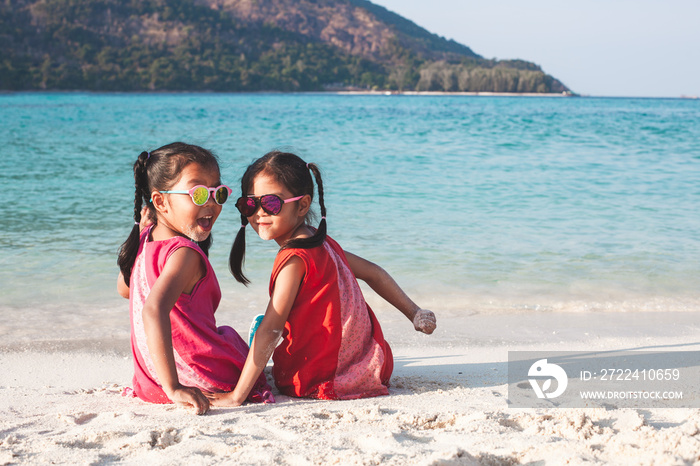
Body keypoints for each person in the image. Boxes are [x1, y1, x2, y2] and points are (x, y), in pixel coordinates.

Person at [207, 150, 436, 406]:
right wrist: (415, 313)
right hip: (373, 365)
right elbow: (374, 272)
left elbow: (271, 330)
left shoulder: (294, 259)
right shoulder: (319, 241)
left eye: (271, 203)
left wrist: (237, 396)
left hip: (320, 378)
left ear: (302, 205)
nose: (259, 213)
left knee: (256, 330)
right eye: (250, 204)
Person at [116, 142, 273, 415]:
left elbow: (125, 289)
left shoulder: (146, 241)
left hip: (149, 383)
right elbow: (152, 310)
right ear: (160, 201)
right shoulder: (184, 255)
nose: (211, 202)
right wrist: (174, 387)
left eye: (218, 192)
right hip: (200, 379)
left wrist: (141, 233)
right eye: (198, 193)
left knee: (225, 335)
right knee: (229, 337)